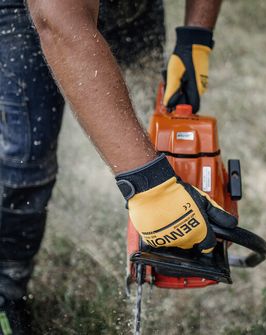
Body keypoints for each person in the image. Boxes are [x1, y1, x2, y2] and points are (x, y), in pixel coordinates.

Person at [0, 0, 237, 333]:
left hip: (134, 6)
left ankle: (143, 232)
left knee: (143, 128)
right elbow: (60, 23)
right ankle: (8, 278)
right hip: (34, 12)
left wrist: (195, 38)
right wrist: (148, 185)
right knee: (28, 155)